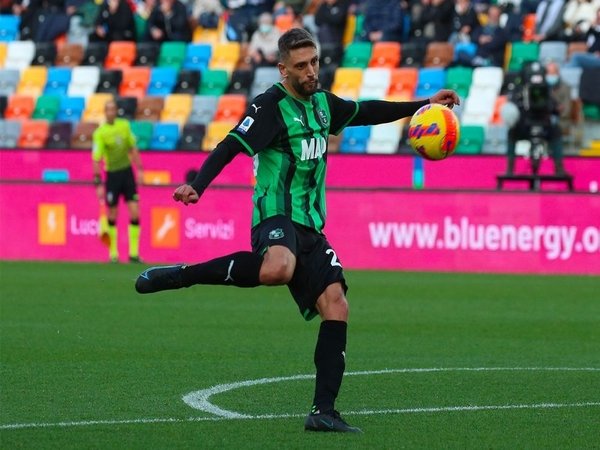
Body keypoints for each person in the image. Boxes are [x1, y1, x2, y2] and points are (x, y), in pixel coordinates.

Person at [134, 28, 459, 433]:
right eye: (301, 66)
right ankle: (183, 275)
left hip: (312, 226)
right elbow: (232, 144)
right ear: (283, 69)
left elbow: (367, 111)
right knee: (278, 268)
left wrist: (423, 104)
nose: (311, 72)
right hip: (275, 214)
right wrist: (197, 185)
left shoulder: (323, 104)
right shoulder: (269, 106)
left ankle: (324, 412)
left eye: (314, 62)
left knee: (336, 305)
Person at [93, 100, 144, 263]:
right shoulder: (100, 133)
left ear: (116, 111)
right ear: (105, 112)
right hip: (112, 175)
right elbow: (96, 159)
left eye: (113, 109)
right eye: (108, 109)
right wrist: (98, 182)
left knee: (135, 212)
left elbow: (133, 148)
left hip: (127, 172)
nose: (111, 112)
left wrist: (140, 169)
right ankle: (113, 254)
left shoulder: (124, 126)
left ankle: (134, 254)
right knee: (112, 214)